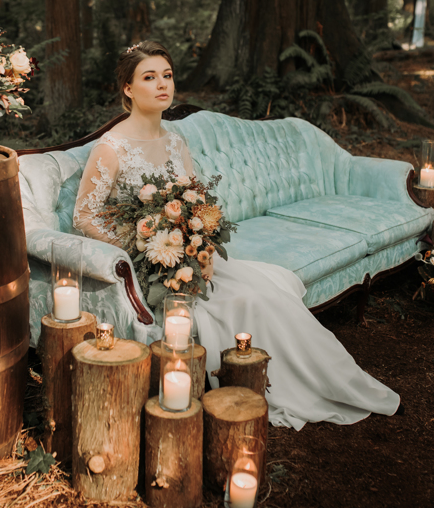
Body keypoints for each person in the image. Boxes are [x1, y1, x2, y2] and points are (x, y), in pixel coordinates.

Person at [72, 41, 402, 429]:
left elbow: (197, 203)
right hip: (152, 266)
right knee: (249, 300)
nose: (162, 84)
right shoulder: (112, 146)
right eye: (149, 77)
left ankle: (335, 381)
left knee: (272, 291)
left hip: (191, 256)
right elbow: (84, 216)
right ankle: (266, 384)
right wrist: (141, 250)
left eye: (167, 75)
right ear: (128, 88)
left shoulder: (175, 141)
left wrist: (203, 248)